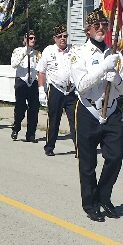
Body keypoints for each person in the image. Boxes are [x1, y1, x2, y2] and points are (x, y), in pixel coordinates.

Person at [69, 8, 123, 222]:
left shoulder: (115, 55)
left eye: (104, 25)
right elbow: (82, 86)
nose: (101, 28)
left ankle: (104, 196)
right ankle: (90, 204)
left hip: (111, 110)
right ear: (88, 30)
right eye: (97, 25)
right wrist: (103, 68)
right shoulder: (78, 54)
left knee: (116, 156)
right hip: (87, 110)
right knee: (87, 163)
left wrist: (116, 79)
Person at [36, 24, 76, 156]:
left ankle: (80, 147)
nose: (63, 39)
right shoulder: (48, 51)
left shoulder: (73, 50)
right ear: (55, 38)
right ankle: (49, 147)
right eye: (60, 37)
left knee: (76, 120)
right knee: (54, 119)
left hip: (71, 91)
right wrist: (41, 90)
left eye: (65, 36)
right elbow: (41, 71)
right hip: (56, 89)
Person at [10, 32, 40, 142]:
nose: (33, 40)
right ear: (25, 40)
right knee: (20, 108)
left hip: (32, 83)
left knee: (34, 109)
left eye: (34, 38)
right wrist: (24, 53)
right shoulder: (18, 51)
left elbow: (40, 69)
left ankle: (31, 134)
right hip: (21, 82)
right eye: (30, 38)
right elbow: (14, 64)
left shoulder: (37, 54)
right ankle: (16, 128)